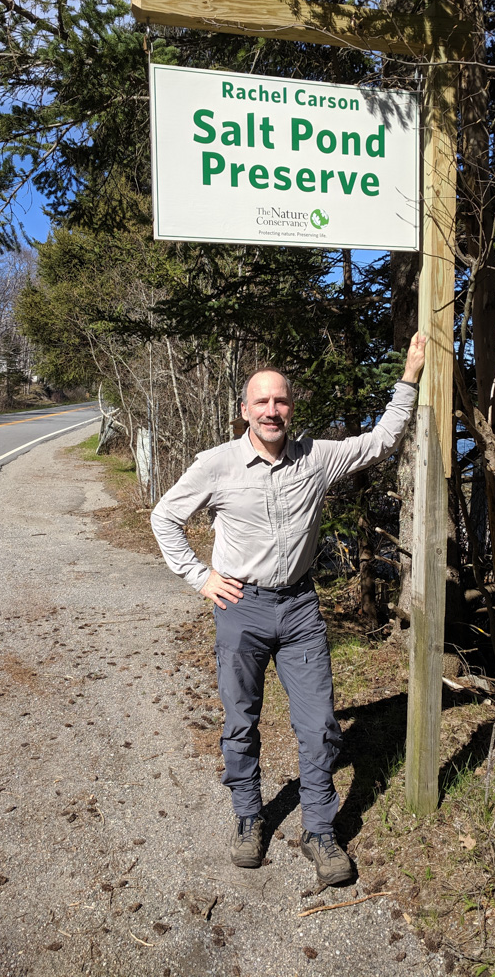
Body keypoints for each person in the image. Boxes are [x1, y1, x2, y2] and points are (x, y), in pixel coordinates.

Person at [150, 333, 427, 885]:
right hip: (240, 609)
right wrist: (200, 576)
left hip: (300, 608)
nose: (272, 410)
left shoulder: (317, 457)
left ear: (290, 408)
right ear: (244, 410)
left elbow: (381, 441)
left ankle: (320, 832)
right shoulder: (217, 464)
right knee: (240, 722)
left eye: (280, 401)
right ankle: (249, 819)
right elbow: (164, 518)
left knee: (321, 726)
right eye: (261, 402)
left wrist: (410, 376)